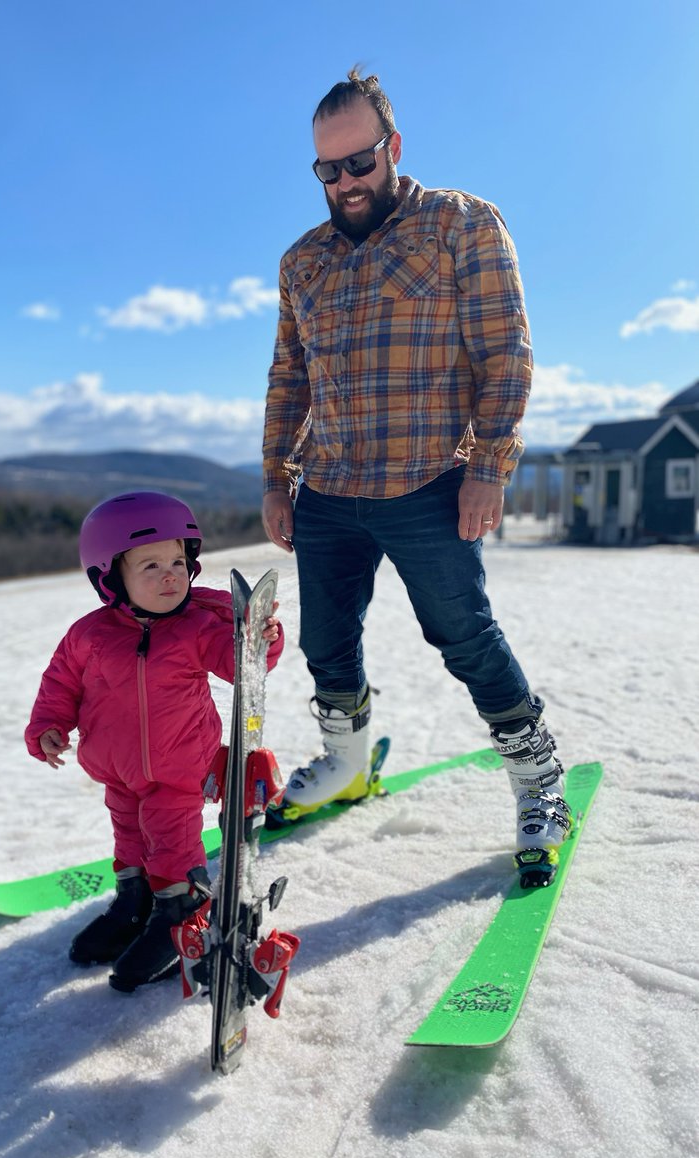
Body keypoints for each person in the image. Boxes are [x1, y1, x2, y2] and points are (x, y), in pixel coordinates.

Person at [261, 69, 568, 887]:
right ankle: (346, 764)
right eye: (327, 170)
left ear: (393, 147)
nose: (345, 183)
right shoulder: (302, 261)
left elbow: (506, 354)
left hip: (431, 479)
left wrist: (490, 468)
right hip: (328, 487)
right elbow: (289, 376)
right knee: (326, 644)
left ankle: (538, 778)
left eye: (359, 163)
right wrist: (275, 478)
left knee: (464, 637)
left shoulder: (461, 223)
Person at [25, 491, 284, 988]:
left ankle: (181, 913)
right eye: (150, 566)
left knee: (170, 842)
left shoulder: (195, 628)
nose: (171, 575)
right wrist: (48, 727)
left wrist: (260, 640)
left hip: (179, 768)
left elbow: (241, 666)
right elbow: (60, 685)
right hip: (117, 770)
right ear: (109, 579)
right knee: (130, 838)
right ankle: (135, 903)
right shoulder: (89, 635)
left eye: (178, 562)